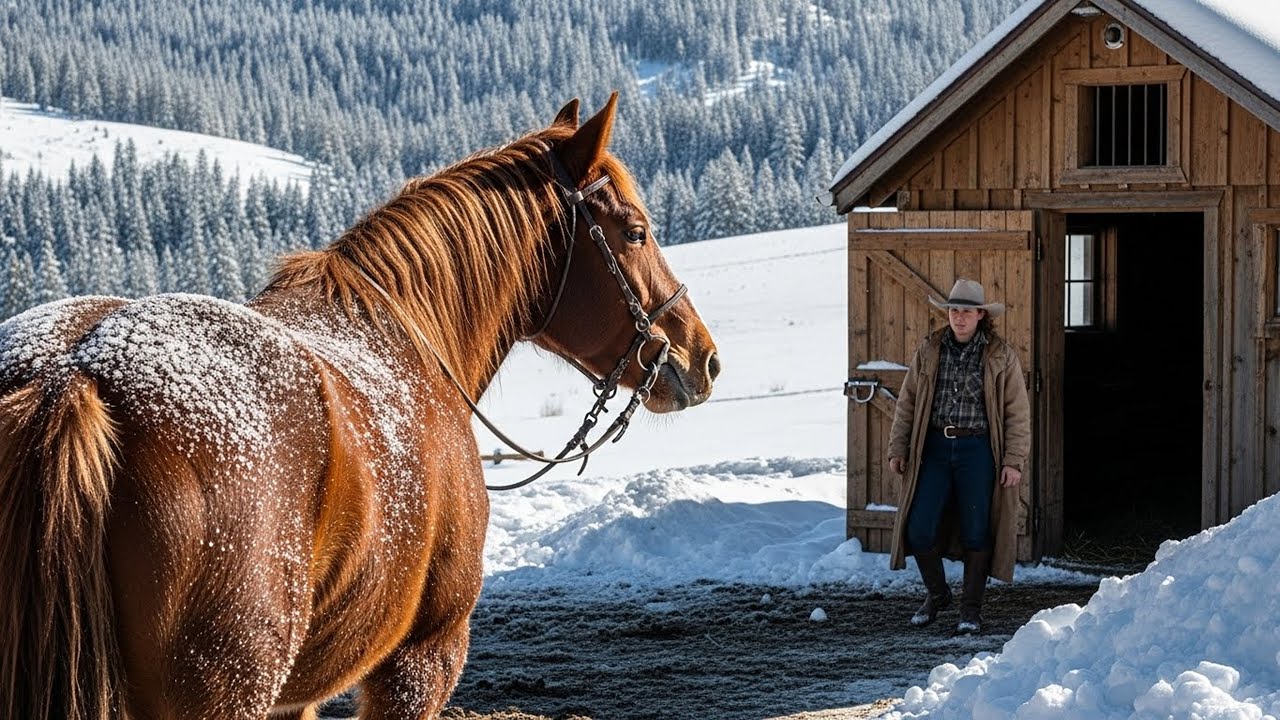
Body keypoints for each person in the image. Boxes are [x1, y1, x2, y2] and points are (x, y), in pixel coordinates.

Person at [886, 278, 1031, 634]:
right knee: (918, 528)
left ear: (981, 315)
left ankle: (971, 609)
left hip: (978, 449)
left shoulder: (999, 354)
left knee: (976, 530)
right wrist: (898, 447)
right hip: (933, 447)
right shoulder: (930, 349)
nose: (959, 317)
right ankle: (938, 595)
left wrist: (1013, 460)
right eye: (953, 310)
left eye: (966, 311)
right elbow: (907, 402)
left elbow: (1017, 412)